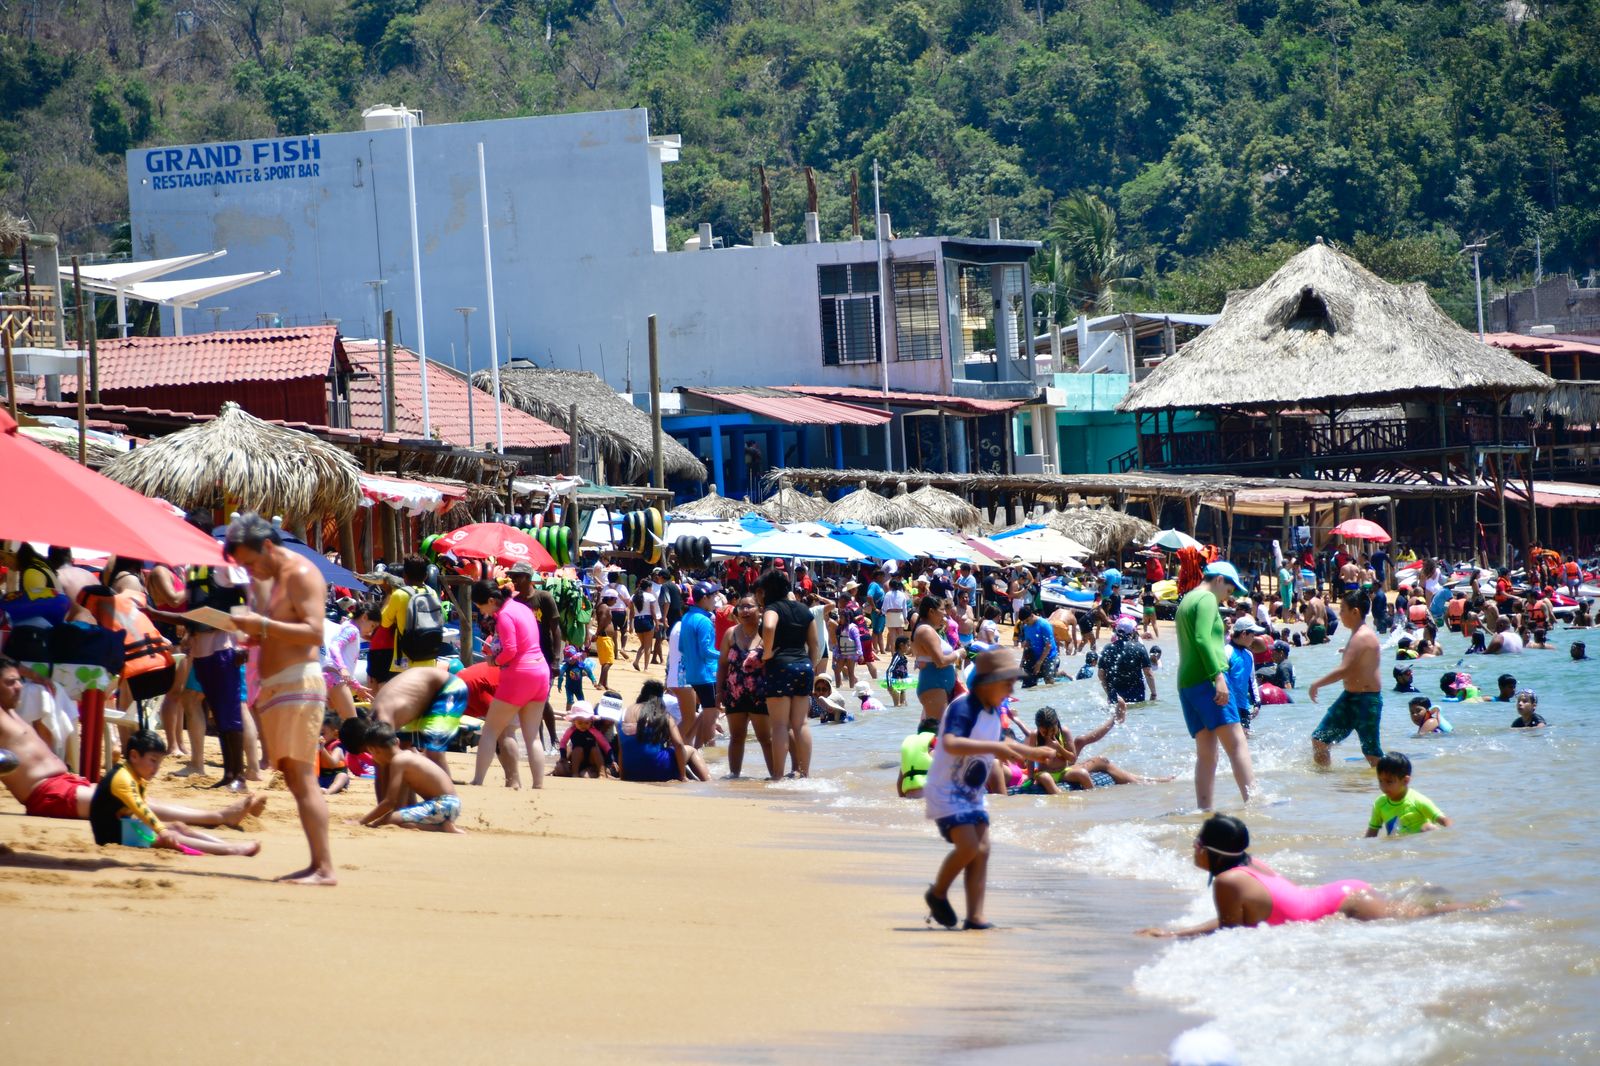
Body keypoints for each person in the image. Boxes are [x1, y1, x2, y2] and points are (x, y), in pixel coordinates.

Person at [0, 656, 265, 828]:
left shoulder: (10, 710)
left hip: (65, 783)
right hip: (48, 795)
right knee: (131, 803)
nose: (19, 686)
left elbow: (14, 666)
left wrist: (37, 676)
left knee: (135, 799)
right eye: (11, 682)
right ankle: (218, 817)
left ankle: (215, 817)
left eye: (18, 681)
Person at [1137, 814, 1487, 937]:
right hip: (1343, 895)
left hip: (1346, 904)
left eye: (1197, 841)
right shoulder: (1249, 863)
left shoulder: (1228, 882)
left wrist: (1177, 937)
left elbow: (1231, 935)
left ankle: (1490, 906)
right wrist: (1175, 933)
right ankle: (1446, 897)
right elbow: (1233, 922)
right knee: (1414, 912)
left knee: (1425, 917)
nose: (1193, 846)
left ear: (1210, 850)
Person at [225, 512, 337, 886]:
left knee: (302, 778)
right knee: (293, 776)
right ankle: (317, 864)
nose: (250, 571)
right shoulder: (273, 579)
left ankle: (324, 868)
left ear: (268, 546)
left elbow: (315, 632)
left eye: (251, 562)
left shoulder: (301, 574)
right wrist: (258, 635)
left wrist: (264, 626)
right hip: (279, 685)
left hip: (298, 685)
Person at [921, 649, 1056, 930]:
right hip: (946, 790)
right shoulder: (963, 707)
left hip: (972, 793)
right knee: (969, 846)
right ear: (985, 683)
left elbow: (1005, 743)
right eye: (1007, 683)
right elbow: (950, 744)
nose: (1011, 689)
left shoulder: (994, 711)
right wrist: (996, 748)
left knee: (982, 849)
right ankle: (938, 893)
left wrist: (1032, 753)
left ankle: (975, 915)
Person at [90, 730, 261, 857]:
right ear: (134, 756)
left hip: (123, 824)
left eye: (159, 762)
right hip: (110, 834)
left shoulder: (135, 774)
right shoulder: (123, 779)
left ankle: (224, 844)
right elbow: (141, 808)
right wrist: (162, 831)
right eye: (153, 761)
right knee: (171, 835)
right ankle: (231, 850)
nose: (156, 768)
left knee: (178, 826)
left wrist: (163, 828)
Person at [1176, 562, 1255, 809]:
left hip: (1187, 683)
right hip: (1209, 679)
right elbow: (1202, 639)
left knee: (1207, 754)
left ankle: (1204, 810)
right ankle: (1256, 801)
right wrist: (1218, 676)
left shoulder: (1187, 600)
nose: (1228, 599)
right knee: (1237, 743)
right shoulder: (1208, 599)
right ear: (1219, 580)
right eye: (1229, 592)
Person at [467, 581, 551, 789]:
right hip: (540, 671)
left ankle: (478, 780)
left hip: (519, 675)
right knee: (533, 737)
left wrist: (493, 661)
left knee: (490, 731)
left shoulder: (504, 615)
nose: (481, 611)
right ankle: (538, 785)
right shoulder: (522, 607)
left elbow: (511, 650)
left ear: (491, 601)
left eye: (480, 606)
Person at [1308, 590, 1384, 768]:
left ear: (1355, 612)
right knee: (1320, 740)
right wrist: (1348, 650)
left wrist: (1316, 684)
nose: (1340, 614)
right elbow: (1359, 661)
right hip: (1350, 698)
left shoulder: (1361, 636)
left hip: (1366, 701)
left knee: (1372, 753)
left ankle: (1388, 784)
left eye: (1342, 610)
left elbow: (1344, 670)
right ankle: (1326, 783)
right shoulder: (1358, 634)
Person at [758, 568, 820, 780]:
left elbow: (768, 627)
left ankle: (777, 775)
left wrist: (766, 654)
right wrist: (809, 666)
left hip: (780, 666)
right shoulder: (804, 610)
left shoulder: (772, 608)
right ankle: (805, 773)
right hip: (804, 666)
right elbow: (815, 644)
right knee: (801, 723)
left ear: (767, 591)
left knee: (780, 725)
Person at [348, 721, 464, 833]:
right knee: (398, 821)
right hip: (449, 805)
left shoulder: (398, 762)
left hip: (443, 805)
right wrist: (384, 820)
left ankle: (442, 827)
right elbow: (400, 806)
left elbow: (389, 801)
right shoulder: (406, 757)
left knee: (391, 820)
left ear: (374, 751)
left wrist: (361, 822)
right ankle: (438, 824)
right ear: (397, 741)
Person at [1022, 703, 1164, 793]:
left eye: (1052, 730)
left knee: (1083, 765)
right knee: (1081, 742)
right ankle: (1114, 719)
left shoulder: (1063, 732)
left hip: (1063, 770)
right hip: (1046, 773)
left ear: (1057, 724)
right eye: (1044, 732)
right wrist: (1029, 778)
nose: (1049, 734)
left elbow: (1071, 757)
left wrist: (1059, 748)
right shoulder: (1035, 736)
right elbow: (1029, 759)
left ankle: (1093, 798)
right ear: (1038, 728)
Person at [369, 666, 467, 776]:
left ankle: (446, 790)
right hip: (422, 695)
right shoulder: (378, 718)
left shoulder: (382, 717)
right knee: (404, 746)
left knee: (433, 751)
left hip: (449, 688)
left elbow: (386, 761)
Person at [717, 594, 771, 779]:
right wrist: (719, 693)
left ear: (760, 609)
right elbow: (722, 665)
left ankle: (775, 777)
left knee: (766, 739)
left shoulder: (767, 633)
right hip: (734, 693)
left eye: (750, 607)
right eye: (741, 607)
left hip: (760, 694)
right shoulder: (730, 633)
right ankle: (734, 776)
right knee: (736, 737)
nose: (745, 610)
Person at [618, 680, 706, 782]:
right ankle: (708, 781)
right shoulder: (662, 715)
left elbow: (621, 749)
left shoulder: (624, 713)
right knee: (691, 750)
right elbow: (678, 744)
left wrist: (623, 776)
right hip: (659, 769)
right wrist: (682, 776)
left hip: (631, 771)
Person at [674, 582, 720, 748]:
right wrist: (726, 656)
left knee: (705, 714)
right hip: (707, 675)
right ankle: (709, 755)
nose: (716, 599)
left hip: (692, 675)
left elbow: (681, 647)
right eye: (714, 596)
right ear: (705, 598)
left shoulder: (686, 617)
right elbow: (706, 651)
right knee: (711, 715)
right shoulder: (705, 621)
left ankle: (695, 749)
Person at [1366, 751, 1451, 836]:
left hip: (1419, 844)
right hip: (1396, 845)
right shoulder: (1380, 803)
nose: (1383, 786)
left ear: (1405, 781)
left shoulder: (1417, 800)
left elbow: (1444, 821)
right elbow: (1371, 833)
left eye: (1389, 782)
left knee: (1428, 828)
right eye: (1380, 781)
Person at [1098, 618, 1157, 703]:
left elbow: (1101, 674)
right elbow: (1148, 673)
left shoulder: (1108, 648)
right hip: (1136, 695)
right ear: (1132, 632)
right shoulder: (1139, 647)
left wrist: (1109, 693)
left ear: (1117, 631)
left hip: (1115, 696)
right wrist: (1153, 693)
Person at [553, 702, 611, 778]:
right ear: (574, 721)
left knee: (595, 749)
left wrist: (610, 760)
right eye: (580, 723)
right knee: (578, 749)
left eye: (586, 723)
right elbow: (563, 742)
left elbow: (605, 745)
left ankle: (602, 772)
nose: (583, 725)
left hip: (591, 759)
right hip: (577, 758)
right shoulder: (571, 730)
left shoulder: (594, 731)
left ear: (591, 721)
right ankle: (575, 773)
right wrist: (563, 757)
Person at [1225, 617, 1263, 731]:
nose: (1254, 638)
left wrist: (1257, 702)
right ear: (1244, 634)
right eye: (1252, 635)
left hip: (1243, 705)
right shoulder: (1227, 652)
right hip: (1228, 706)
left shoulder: (1248, 654)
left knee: (1245, 738)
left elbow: (1251, 680)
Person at [1015, 606, 1058, 688]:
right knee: (1028, 682)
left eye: (1027, 621)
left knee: (1048, 680)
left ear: (1031, 615)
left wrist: (1039, 663)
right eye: (1024, 622)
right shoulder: (1026, 626)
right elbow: (1027, 646)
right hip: (1034, 656)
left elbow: (1048, 646)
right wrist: (1021, 664)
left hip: (1049, 656)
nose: (1026, 623)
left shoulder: (1044, 625)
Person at [897, 716, 938, 798]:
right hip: (928, 796)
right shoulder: (932, 752)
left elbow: (899, 783)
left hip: (909, 796)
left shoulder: (909, 757)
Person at [318, 712, 351, 794]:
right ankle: (316, 789)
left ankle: (329, 791)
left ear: (335, 734)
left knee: (342, 776)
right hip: (322, 777)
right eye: (317, 733)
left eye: (322, 733)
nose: (319, 736)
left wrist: (322, 749)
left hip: (335, 777)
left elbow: (332, 764)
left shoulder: (337, 749)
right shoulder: (317, 746)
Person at [885, 636, 912, 707]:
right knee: (897, 705)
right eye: (908, 645)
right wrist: (889, 685)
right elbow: (889, 671)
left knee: (904, 705)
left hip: (902, 683)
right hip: (894, 684)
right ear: (901, 645)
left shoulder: (904, 658)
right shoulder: (897, 657)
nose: (909, 647)